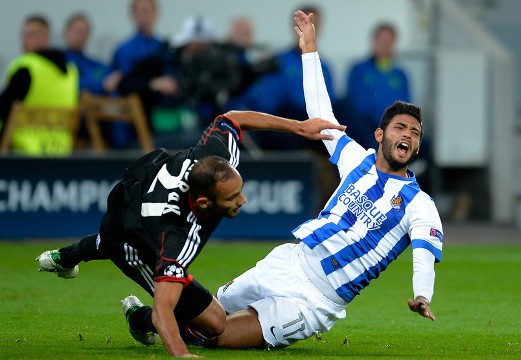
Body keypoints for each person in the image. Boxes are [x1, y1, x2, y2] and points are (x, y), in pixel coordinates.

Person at [213, 10, 442, 349]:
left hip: (315, 301)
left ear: (417, 145)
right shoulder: (356, 160)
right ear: (380, 135)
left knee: (220, 337)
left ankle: (161, 319)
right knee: (210, 313)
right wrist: (309, 51)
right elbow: (321, 114)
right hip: (290, 260)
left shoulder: (420, 205)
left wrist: (422, 294)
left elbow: (423, 254)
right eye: (400, 127)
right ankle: (153, 318)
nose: (407, 134)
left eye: (415, 132)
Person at [35, 110, 345, 357]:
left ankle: (68, 256)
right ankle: (135, 316)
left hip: (142, 190)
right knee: (211, 323)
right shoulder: (175, 236)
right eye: (233, 198)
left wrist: (297, 127)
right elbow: (164, 305)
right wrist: (180, 355)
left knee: (206, 316)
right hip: (133, 233)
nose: (243, 200)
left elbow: (233, 118)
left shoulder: (215, 157)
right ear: (203, 203)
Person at [226, 5, 335, 152]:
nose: (310, 29)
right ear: (294, 26)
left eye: (314, 25)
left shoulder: (325, 67)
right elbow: (266, 101)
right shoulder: (277, 62)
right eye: (304, 23)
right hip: (285, 120)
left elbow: (330, 102)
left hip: (316, 121)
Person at [0, 15, 79, 156]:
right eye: (23, 35)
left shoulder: (26, 67)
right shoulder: (72, 71)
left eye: (31, 35)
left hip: (22, 150)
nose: (24, 41)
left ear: (46, 37)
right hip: (62, 149)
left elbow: (4, 107)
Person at [104, 0, 179, 148]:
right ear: (132, 16)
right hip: (131, 124)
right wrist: (153, 84)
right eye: (140, 11)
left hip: (164, 117)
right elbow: (116, 85)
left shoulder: (165, 49)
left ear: (156, 14)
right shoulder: (123, 50)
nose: (144, 16)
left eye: (148, 11)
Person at [341, 22, 411, 150]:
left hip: (392, 127)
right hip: (366, 127)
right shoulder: (359, 70)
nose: (385, 46)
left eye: (389, 42)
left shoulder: (400, 75)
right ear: (374, 41)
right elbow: (355, 104)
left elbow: (406, 106)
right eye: (382, 41)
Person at [63, 12, 109, 95]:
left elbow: (110, 82)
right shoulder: (59, 61)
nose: (80, 36)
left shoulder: (97, 65)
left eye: (84, 33)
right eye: (77, 32)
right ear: (65, 32)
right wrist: (100, 86)